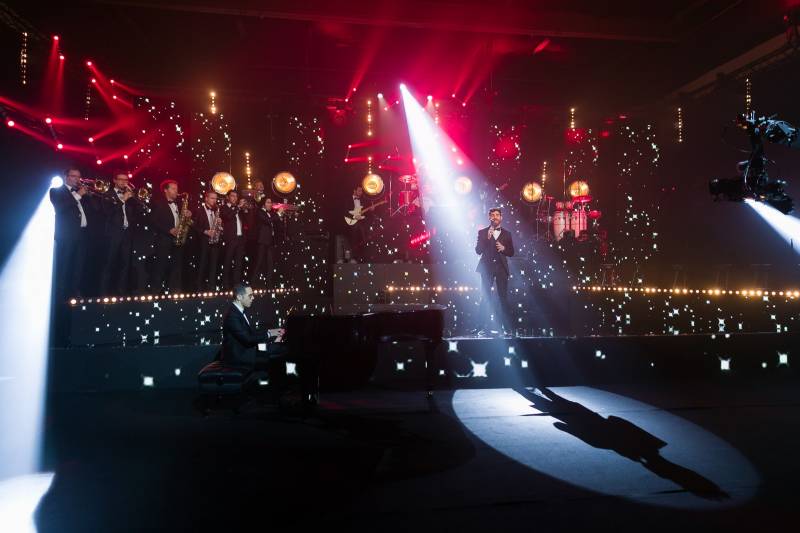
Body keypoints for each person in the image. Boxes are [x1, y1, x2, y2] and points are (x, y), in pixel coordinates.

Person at [50, 166, 97, 299]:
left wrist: (89, 195)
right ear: (66, 177)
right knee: (65, 265)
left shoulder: (81, 192)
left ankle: (74, 293)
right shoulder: (56, 191)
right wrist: (78, 195)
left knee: (79, 265)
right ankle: (60, 295)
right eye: (73, 176)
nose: (77, 179)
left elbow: (96, 208)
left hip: (82, 234)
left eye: (78, 177)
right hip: (66, 235)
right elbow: (60, 208)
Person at [475, 207, 515, 336]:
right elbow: (478, 251)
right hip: (486, 268)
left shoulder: (507, 233)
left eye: (497, 215)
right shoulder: (482, 232)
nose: (495, 217)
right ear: (489, 217)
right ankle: (482, 327)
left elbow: (511, 252)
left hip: (501, 268)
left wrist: (504, 248)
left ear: (501, 217)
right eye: (492, 215)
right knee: (486, 297)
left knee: (503, 298)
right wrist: (487, 238)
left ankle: (507, 328)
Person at [100, 171, 140, 294]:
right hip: (113, 234)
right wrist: (123, 199)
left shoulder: (129, 196)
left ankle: (121, 292)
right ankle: (104, 292)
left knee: (124, 264)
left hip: (126, 233)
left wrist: (133, 198)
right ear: (115, 180)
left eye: (126, 180)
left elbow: (139, 210)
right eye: (121, 179)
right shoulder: (108, 194)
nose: (124, 182)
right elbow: (108, 212)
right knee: (109, 263)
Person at [150, 179, 188, 292]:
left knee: (176, 267)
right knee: (160, 266)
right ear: (166, 190)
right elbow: (153, 221)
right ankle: (156, 291)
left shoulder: (178, 204)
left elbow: (179, 219)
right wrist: (169, 230)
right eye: (173, 189)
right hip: (164, 240)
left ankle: (174, 290)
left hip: (177, 240)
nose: (176, 191)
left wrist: (187, 215)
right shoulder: (158, 203)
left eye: (177, 189)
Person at [192, 190, 222, 290]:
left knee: (213, 266)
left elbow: (216, 226)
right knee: (202, 265)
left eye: (216, 198)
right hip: (202, 242)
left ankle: (211, 287)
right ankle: (198, 287)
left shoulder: (215, 211)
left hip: (214, 242)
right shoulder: (199, 210)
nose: (215, 200)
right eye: (212, 198)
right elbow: (194, 226)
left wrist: (219, 225)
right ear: (206, 199)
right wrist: (205, 231)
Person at [252, 197, 283, 287]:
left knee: (270, 262)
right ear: (263, 204)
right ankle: (253, 283)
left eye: (271, 202)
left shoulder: (271, 213)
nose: (270, 204)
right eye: (268, 202)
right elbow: (267, 221)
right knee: (259, 261)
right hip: (262, 241)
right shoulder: (259, 212)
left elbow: (276, 224)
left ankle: (269, 284)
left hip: (270, 241)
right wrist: (278, 214)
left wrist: (279, 216)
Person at [220, 189, 248, 288]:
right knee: (227, 261)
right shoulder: (223, 208)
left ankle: (236, 284)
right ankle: (225, 284)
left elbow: (245, 221)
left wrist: (244, 210)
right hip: (230, 238)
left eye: (236, 196)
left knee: (238, 262)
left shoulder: (238, 208)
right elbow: (228, 216)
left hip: (240, 238)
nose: (235, 198)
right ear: (227, 197)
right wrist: (238, 207)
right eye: (232, 196)